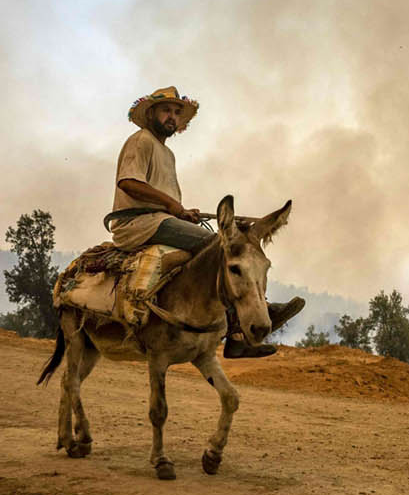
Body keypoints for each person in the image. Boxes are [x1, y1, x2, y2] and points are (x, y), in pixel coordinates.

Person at [105, 85, 302, 358]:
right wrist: (172, 205)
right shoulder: (142, 140)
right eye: (166, 111)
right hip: (137, 225)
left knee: (221, 249)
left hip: (158, 220)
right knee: (219, 248)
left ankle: (222, 319)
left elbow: (161, 200)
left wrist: (180, 212)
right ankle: (236, 332)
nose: (172, 117)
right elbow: (128, 182)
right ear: (151, 113)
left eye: (176, 112)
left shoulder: (167, 153)